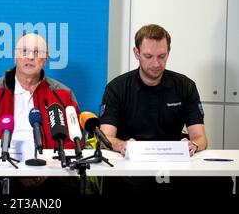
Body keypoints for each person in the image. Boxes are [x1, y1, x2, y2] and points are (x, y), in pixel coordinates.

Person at [99, 24, 233, 193]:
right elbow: (106, 138)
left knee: (222, 181)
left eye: (162, 56)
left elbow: (201, 138)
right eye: (148, 56)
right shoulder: (117, 88)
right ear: (136, 53)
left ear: (168, 53)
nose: (156, 63)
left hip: (174, 162)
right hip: (131, 165)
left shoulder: (185, 86)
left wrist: (193, 145)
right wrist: (121, 145)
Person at [0, 33, 80, 193]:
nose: (30, 57)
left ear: (46, 59)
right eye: (24, 51)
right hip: (4, 172)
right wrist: (15, 171)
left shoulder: (63, 95)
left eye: (37, 52)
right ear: (15, 56)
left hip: (52, 173)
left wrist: (48, 168)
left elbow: (74, 143)